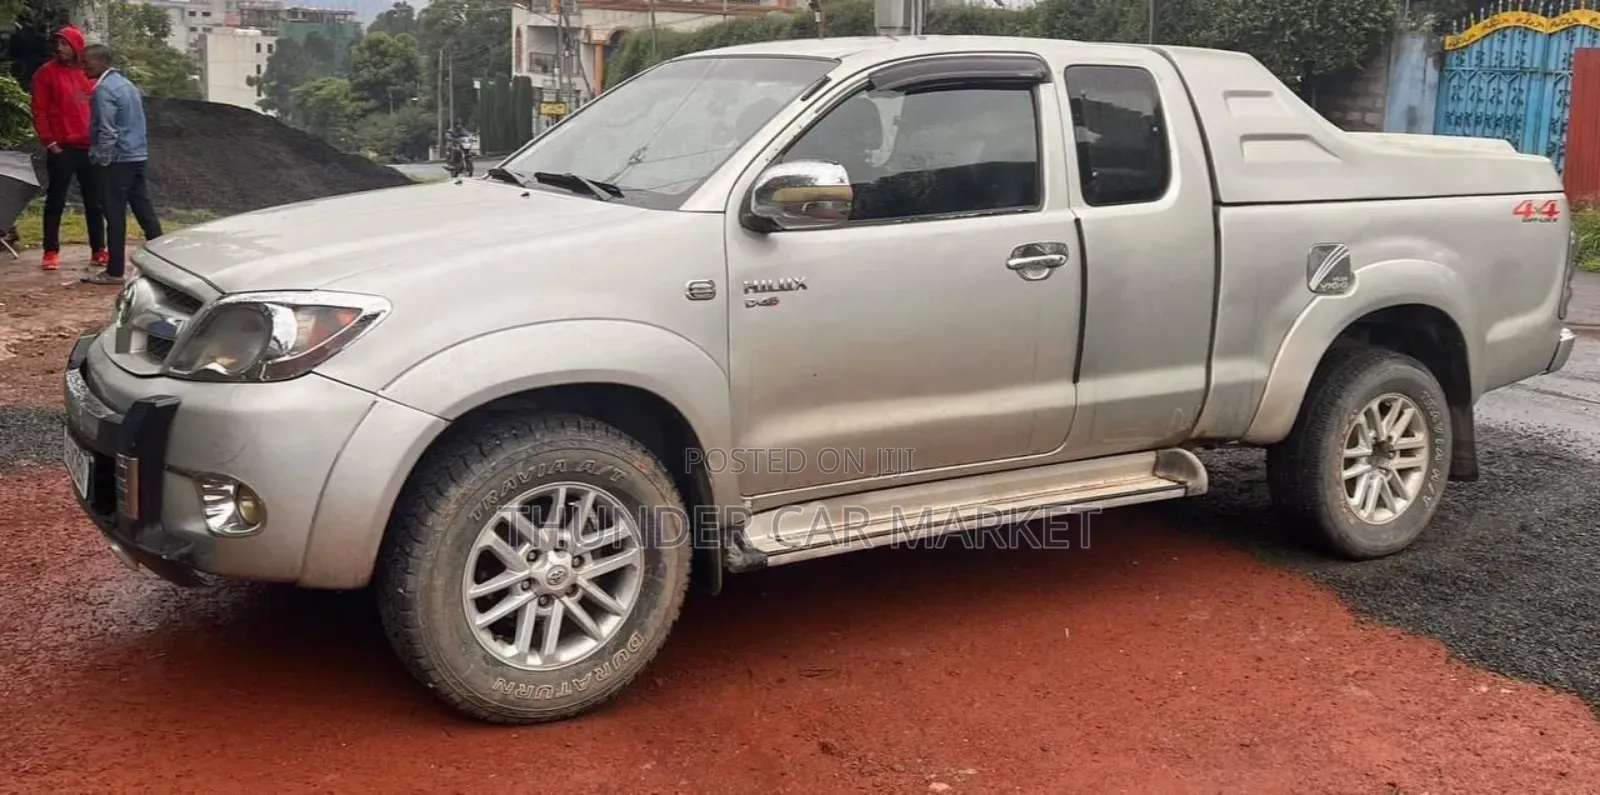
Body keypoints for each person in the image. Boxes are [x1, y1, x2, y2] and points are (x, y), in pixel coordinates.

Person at [82, 43, 161, 286]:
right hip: (137, 156)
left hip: (117, 160)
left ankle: (115, 271)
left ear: (101, 63)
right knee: (144, 211)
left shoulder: (104, 90)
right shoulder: (128, 85)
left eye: (87, 62)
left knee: (114, 214)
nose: (83, 66)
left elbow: (107, 130)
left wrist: (100, 160)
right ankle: (165, 261)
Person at [30, 25, 107, 271]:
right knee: (56, 200)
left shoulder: (89, 73)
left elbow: (101, 107)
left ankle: (99, 250)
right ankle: (50, 251)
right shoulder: (46, 73)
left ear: (76, 47)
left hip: (89, 147)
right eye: (57, 43)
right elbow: (39, 109)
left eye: (64, 43)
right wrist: (49, 141)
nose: (59, 48)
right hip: (61, 147)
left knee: (94, 201)